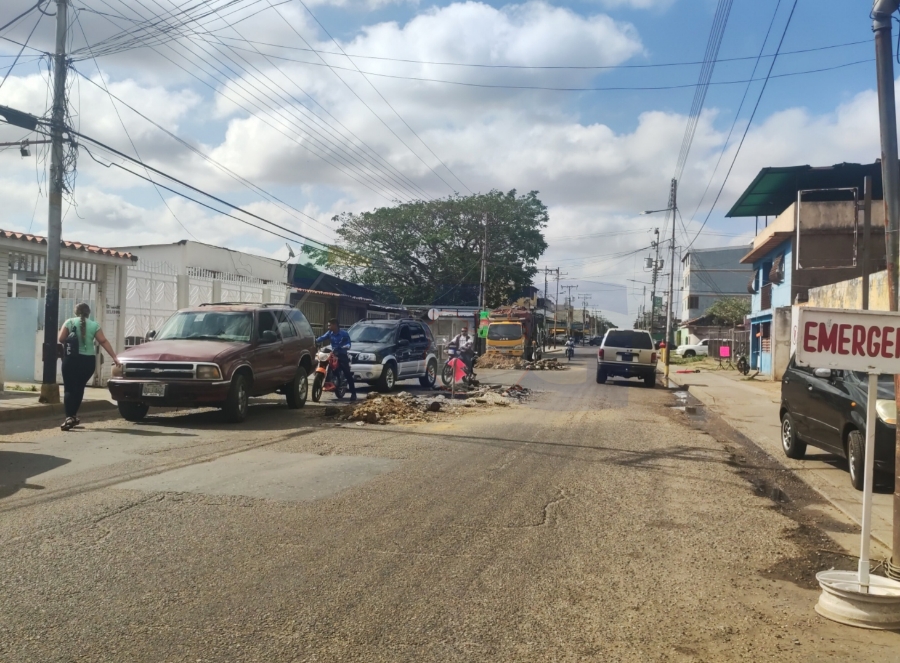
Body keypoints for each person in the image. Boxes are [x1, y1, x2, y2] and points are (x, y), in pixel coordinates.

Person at [58, 303, 120, 431]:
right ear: (88, 313)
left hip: (71, 360)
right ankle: (73, 416)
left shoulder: (69, 322)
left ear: (76, 312)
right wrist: (114, 357)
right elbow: (103, 341)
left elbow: (61, 338)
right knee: (79, 388)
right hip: (88, 361)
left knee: (69, 389)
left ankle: (69, 417)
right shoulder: (94, 325)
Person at [316, 318, 357, 401]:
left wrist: (345, 346)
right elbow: (322, 338)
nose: (328, 327)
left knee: (347, 374)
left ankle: (353, 393)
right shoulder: (330, 333)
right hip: (333, 354)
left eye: (329, 325)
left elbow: (348, 343)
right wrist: (314, 341)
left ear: (335, 325)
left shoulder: (344, 334)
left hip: (342, 355)